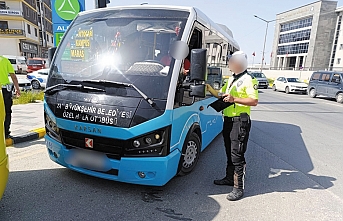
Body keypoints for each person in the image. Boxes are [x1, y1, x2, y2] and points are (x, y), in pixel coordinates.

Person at [206, 51, 259, 201]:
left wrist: (235, 98)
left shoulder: (249, 80)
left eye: (231, 62)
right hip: (228, 120)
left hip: (239, 121)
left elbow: (254, 101)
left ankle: (238, 188)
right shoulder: (231, 79)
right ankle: (229, 178)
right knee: (229, 151)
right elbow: (222, 95)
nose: (229, 65)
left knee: (237, 154)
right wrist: (209, 88)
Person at [0, 55, 20, 138]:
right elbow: (13, 77)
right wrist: (17, 89)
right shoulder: (4, 60)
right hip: (4, 91)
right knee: (7, 112)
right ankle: (5, 133)